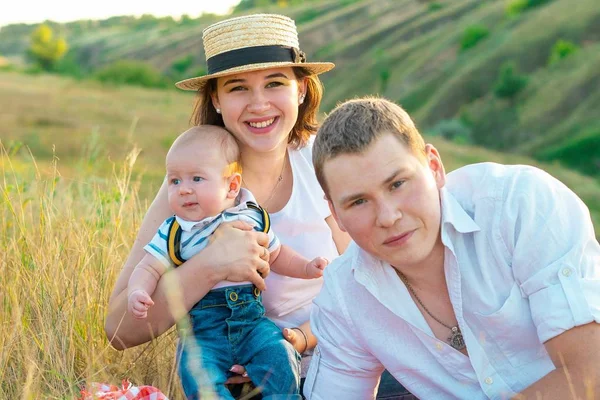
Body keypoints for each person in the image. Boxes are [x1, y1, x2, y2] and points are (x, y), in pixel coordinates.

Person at [105, 13, 412, 399]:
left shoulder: (325, 159)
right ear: (216, 99)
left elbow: (371, 287)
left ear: (301, 89)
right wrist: (209, 266)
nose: (259, 103)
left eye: (275, 83)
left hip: (347, 358)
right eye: (238, 88)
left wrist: (302, 338)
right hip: (249, 381)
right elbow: (120, 330)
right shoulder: (189, 190)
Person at [304, 97, 600, 399]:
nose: (388, 217)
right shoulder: (344, 295)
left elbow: (591, 376)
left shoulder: (520, 205)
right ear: (335, 213)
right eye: (359, 202)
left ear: (434, 166)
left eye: (397, 184)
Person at [127, 125, 329, 398]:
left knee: (279, 355)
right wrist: (138, 290)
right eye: (175, 181)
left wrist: (306, 268)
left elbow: (277, 253)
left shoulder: (250, 216)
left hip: (253, 323)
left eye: (196, 179)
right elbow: (148, 266)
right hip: (203, 334)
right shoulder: (175, 230)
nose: (184, 190)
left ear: (232, 185)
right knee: (198, 373)